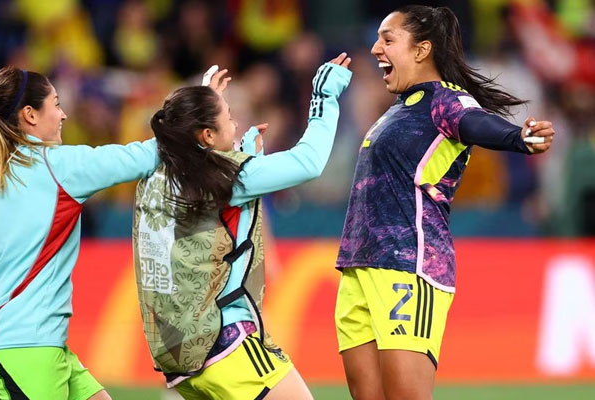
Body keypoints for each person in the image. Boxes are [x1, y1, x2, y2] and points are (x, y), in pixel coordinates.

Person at [334, 6, 555, 400]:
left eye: (388, 39)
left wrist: (519, 138)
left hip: (408, 266)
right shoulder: (401, 108)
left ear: (421, 50)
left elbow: (477, 123)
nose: (375, 48)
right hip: (358, 267)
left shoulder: (445, 101)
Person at [133, 53, 352, 399]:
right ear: (206, 135)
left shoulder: (155, 174)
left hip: (177, 357)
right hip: (224, 343)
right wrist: (325, 97)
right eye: (228, 118)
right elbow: (309, 162)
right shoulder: (223, 175)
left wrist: (207, 104)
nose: (235, 125)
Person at [0, 66, 159, 400]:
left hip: (23, 342)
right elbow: (144, 156)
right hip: (30, 346)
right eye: (56, 104)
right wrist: (200, 112)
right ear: (30, 114)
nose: (63, 115)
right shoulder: (57, 166)